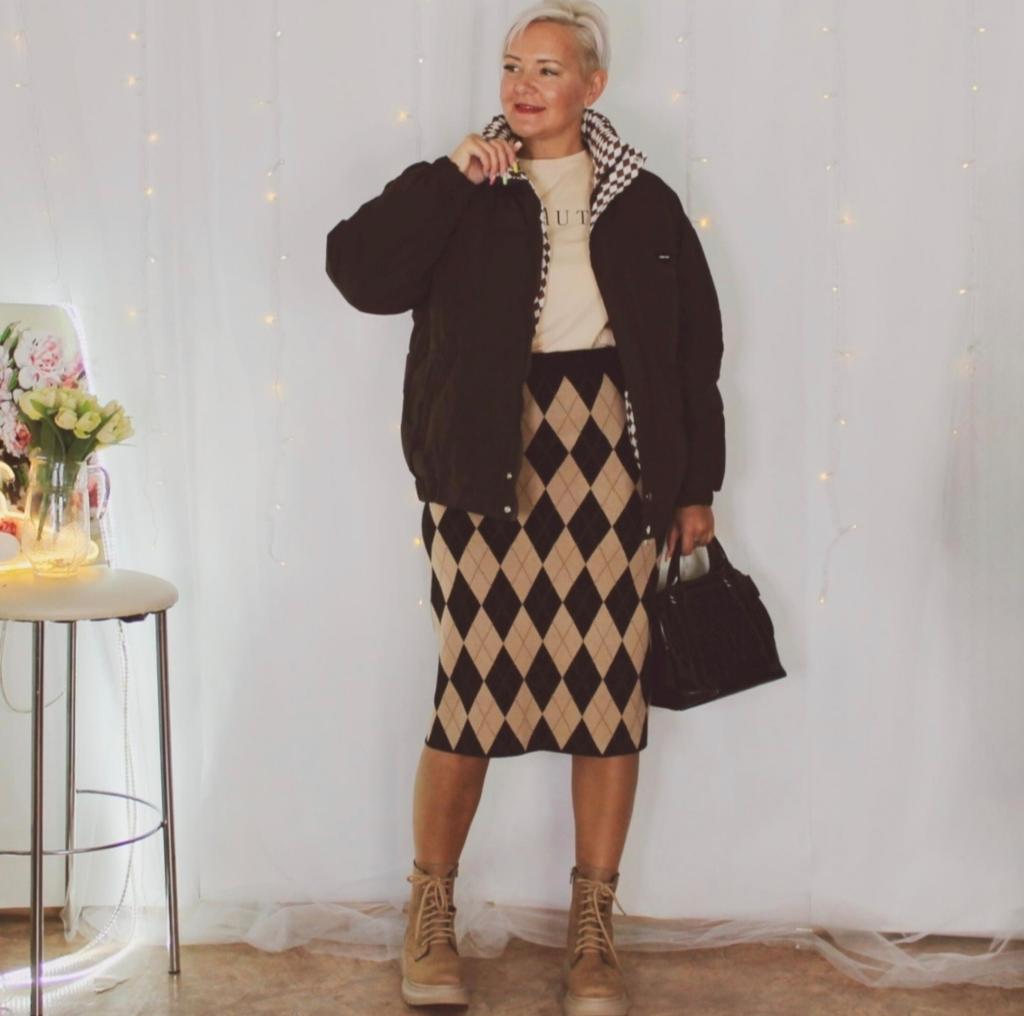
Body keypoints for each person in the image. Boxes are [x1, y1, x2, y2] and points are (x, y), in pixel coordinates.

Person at [325, 2, 725, 1011]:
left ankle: (593, 931)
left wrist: (695, 486)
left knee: (608, 699)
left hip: (612, 462)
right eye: (512, 65)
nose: (524, 84)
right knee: (471, 692)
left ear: (593, 85)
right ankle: (430, 910)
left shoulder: (645, 202)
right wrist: (445, 177)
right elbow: (358, 273)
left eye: (548, 68)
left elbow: (692, 355)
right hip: (482, 462)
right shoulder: (467, 188)